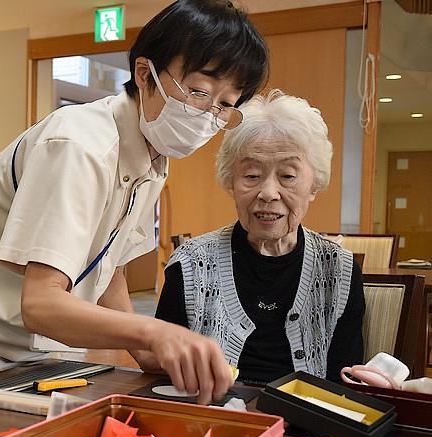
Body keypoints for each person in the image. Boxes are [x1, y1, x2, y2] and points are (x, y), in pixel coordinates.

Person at [0, 0, 269, 405]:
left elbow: (110, 267)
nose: (208, 115)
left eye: (224, 105)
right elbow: (41, 303)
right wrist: (155, 332)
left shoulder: (153, 158)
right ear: (145, 74)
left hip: (14, 341)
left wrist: (144, 353)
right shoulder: (80, 145)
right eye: (198, 92)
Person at [155, 90, 365, 384]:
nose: (268, 193)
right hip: (210, 410)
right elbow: (163, 373)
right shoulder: (190, 265)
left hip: (308, 414)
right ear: (231, 182)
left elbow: (345, 382)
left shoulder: (338, 270)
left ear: (314, 185)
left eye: (288, 176)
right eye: (252, 175)